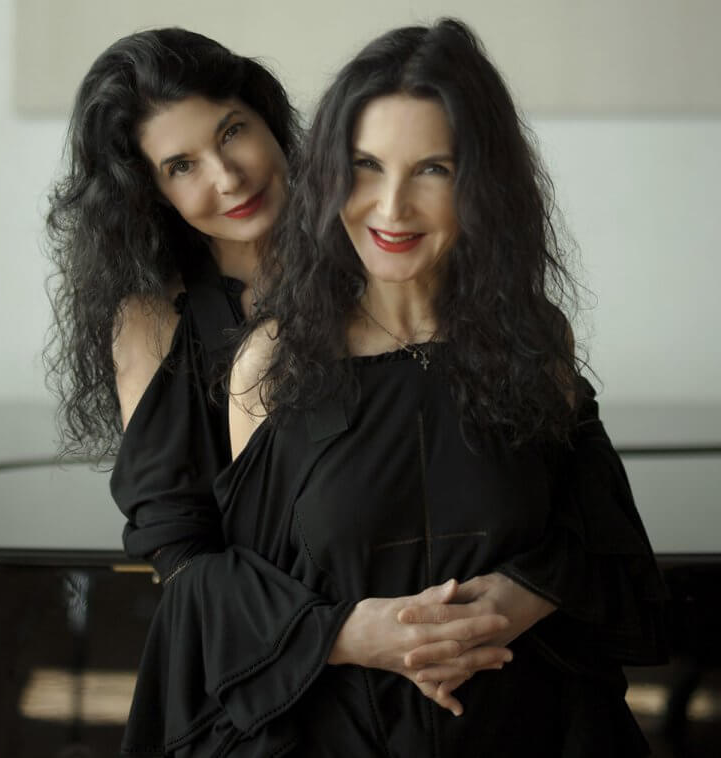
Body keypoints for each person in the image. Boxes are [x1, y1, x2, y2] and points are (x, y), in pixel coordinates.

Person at [44, 27, 525, 756]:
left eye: (231, 132)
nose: (228, 177)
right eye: (181, 165)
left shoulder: (380, 242)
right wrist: (344, 634)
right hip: (272, 676)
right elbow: (184, 556)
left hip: (444, 672)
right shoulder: (152, 320)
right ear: (150, 192)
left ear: (270, 119)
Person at [221, 18, 667, 757]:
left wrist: (526, 596)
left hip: (530, 733)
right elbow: (240, 610)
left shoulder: (535, 340)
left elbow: (600, 535)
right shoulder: (271, 365)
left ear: (481, 183)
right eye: (365, 166)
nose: (391, 207)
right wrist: (352, 635)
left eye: (432, 169)